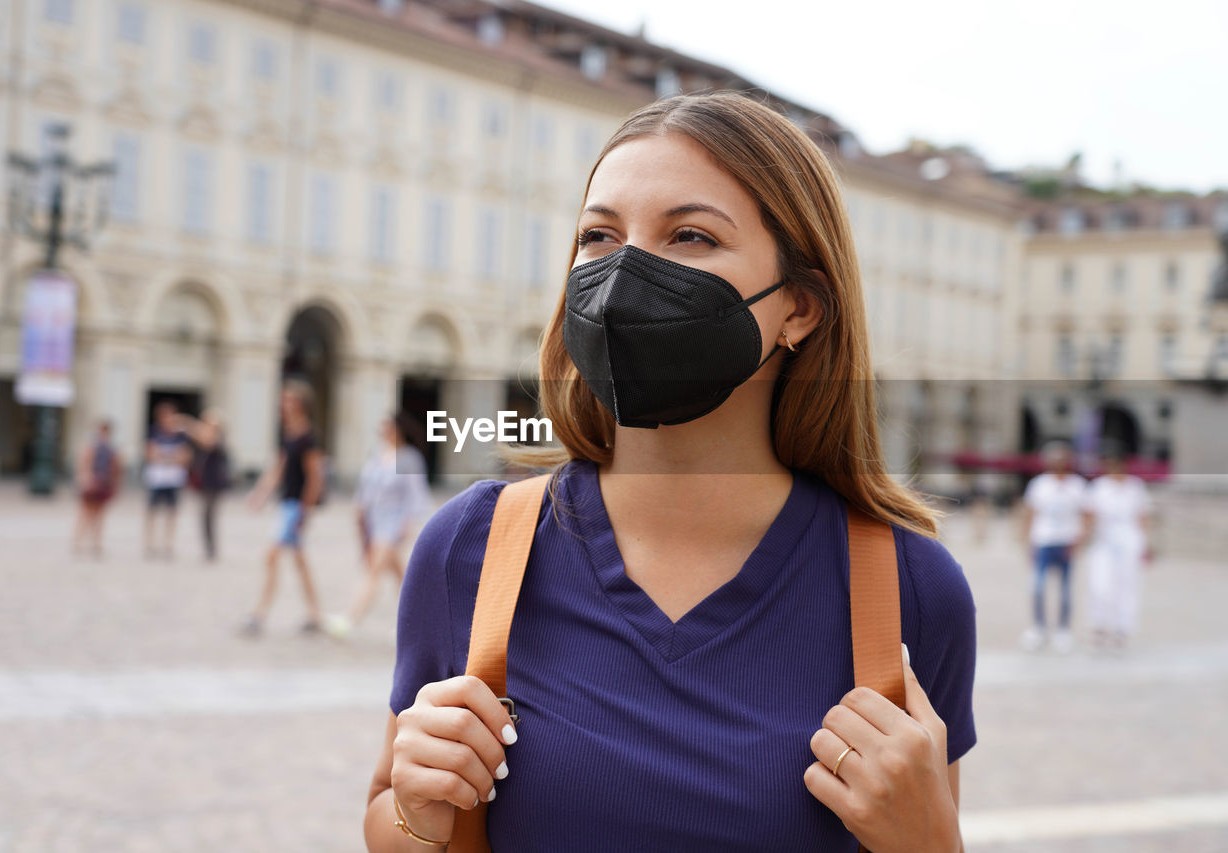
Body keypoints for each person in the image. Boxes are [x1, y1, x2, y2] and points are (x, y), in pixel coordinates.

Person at [363, 93, 976, 853]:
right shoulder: (472, 548)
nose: (624, 275)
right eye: (598, 236)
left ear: (801, 308)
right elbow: (392, 821)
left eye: (689, 235)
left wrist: (930, 844)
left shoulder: (910, 587)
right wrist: (415, 819)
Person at [325, 412, 431, 639]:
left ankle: (350, 618)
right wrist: (359, 512)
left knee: (373, 570)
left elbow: (415, 494)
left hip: (393, 523)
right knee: (402, 576)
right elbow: (366, 489)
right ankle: (421, 621)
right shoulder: (376, 455)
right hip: (374, 521)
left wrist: (408, 523)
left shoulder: (409, 458)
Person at [242, 381, 325, 636]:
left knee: (272, 556)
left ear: (300, 404)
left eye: (289, 400)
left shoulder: (308, 437)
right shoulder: (288, 433)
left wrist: (305, 510)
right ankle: (314, 614)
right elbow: (277, 470)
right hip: (286, 504)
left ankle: (259, 614)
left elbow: (314, 477)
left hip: (294, 507)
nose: (284, 405)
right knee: (298, 562)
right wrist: (260, 494)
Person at [1019, 440, 1088, 653]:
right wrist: (1026, 540)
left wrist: (1080, 539)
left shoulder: (1077, 485)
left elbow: (1086, 513)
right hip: (1043, 540)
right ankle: (1039, 627)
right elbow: (1029, 513)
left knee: (1065, 589)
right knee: (1038, 587)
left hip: (1066, 539)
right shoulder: (1040, 484)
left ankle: (1063, 630)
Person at [1083, 445, 1153, 652]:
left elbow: (1142, 516)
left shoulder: (1135, 486)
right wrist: (1084, 537)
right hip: (1103, 540)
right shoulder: (1099, 486)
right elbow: (1089, 514)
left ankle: (1123, 628)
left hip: (1129, 539)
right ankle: (1099, 625)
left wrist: (1146, 543)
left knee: (1127, 585)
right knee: (1100, 584)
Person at [178, 409, 232, 562]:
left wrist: (187, 423)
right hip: (205, 482)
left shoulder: (217, 439)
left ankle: (211, 548)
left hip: (214, 482)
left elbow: (207, 441)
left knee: (209, 515)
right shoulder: (207, 438)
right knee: (206, 516)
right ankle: (209, 547)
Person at [143, 401, 191, 560]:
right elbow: (150, 453)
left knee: (171, 512)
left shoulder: (180, 435)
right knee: (152, 511)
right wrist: (170, 457)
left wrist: (165, 457)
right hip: (157, 478)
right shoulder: (154, 432)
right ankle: (150, 543)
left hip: (173, 478)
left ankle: (168, 543)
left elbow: (185, 456)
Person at [72, 419, 121, 557]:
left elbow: (115, 467)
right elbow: (84, 463)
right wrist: (85, 479)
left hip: (103, 482)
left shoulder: (109, 447)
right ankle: (79, 540)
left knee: (99, 514)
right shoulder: (93, 446)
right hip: (95, 481)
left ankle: (94, 542)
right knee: (87, 513)